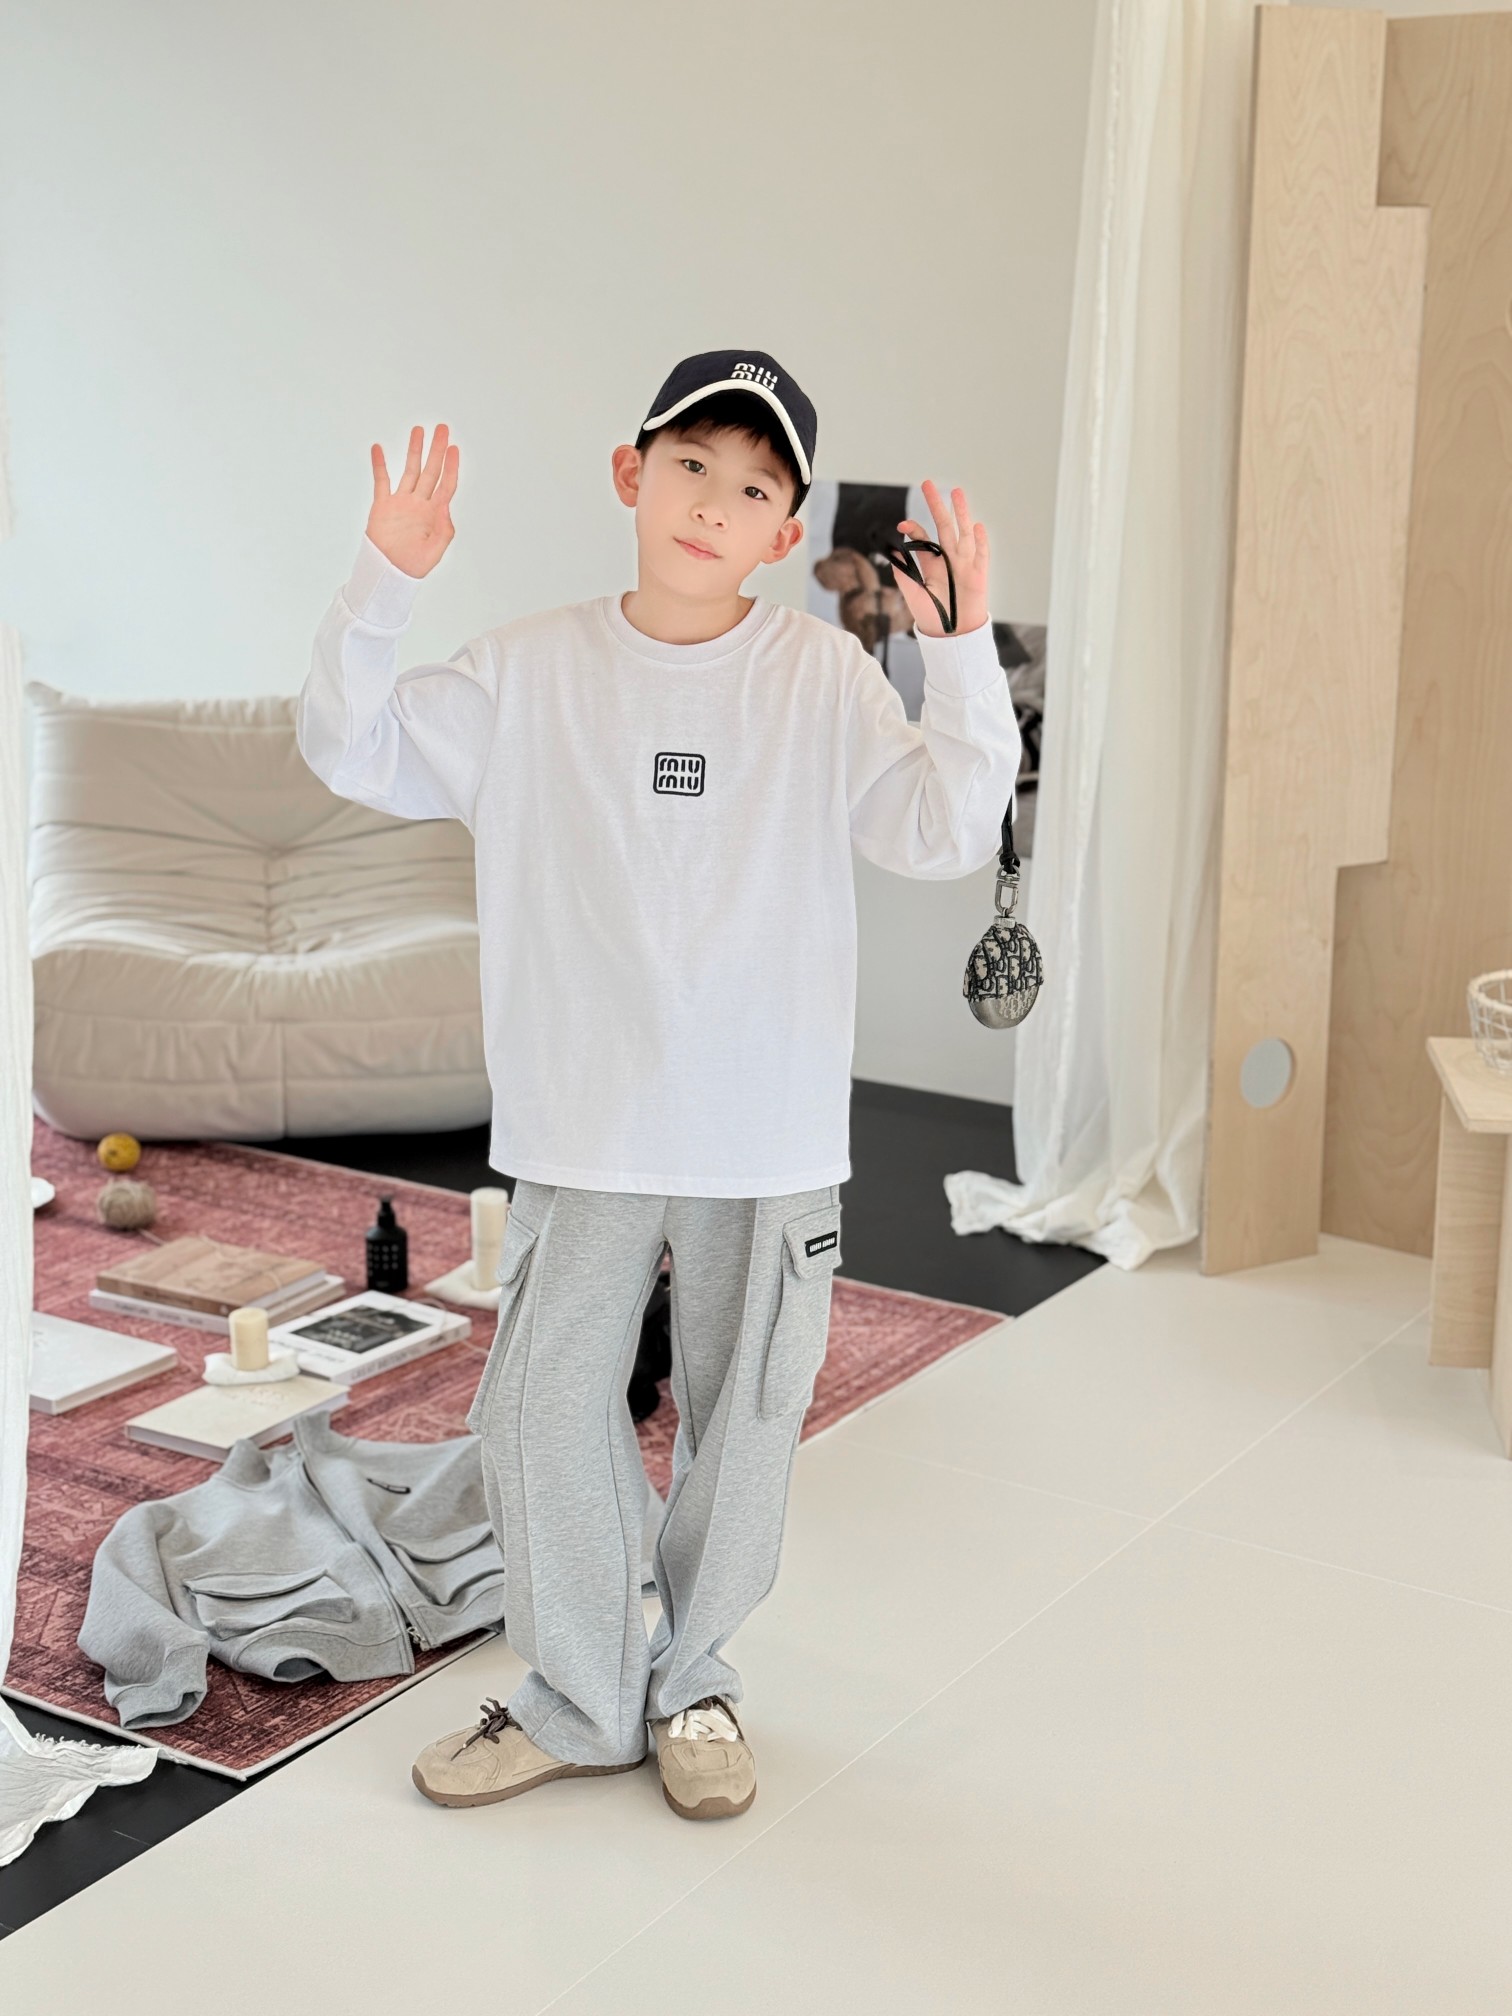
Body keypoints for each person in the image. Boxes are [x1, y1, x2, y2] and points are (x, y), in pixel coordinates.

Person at [295, 350, 1022, 1821]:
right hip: (587, 1123)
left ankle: (694, 1683)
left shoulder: (818, 675)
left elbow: (945, 829)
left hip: (768, 1130)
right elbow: (349, 746)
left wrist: (958, 652)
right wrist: (384, 580)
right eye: (691, 465)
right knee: (538, 1409)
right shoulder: (524, 669)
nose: (712, 503)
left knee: (742, 1419)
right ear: (633, 475)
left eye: (752, 488)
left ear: (783, 531)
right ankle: (579, 1696)